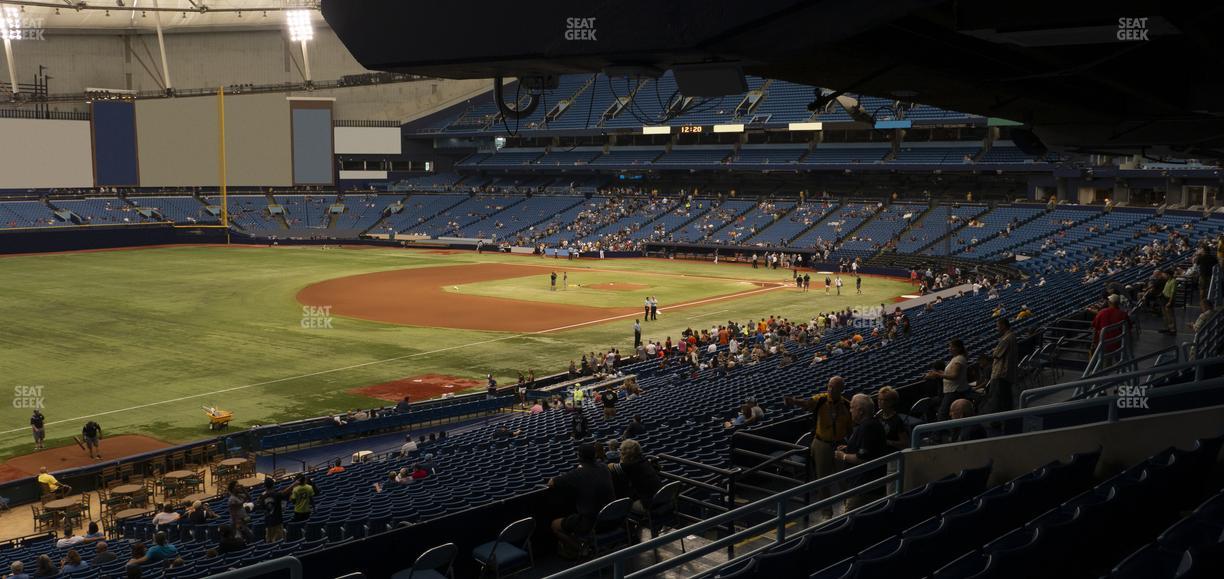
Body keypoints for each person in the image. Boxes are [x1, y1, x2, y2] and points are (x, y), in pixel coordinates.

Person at [784, 376, 852, 513]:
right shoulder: (821, 400)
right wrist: (794, 401)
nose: (830, 390)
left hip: (840, 444)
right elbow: (807, 404)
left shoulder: (846, 405)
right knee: (822, 480)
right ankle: (826, 513)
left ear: (841, 389)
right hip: (821, 443)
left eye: (834, 387)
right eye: (829, 386)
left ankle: (850, 507)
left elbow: (850, 428)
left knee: (844, 478)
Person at [548, 443, 616, 558]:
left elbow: (552, 483)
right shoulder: (604, 467)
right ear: (595, 455)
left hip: (592, 522)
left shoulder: (578, 474)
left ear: (579, 457)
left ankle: (582, 548)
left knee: (555, 525)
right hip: (613, 517)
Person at [835, 394, 890, 510]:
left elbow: (862, 458)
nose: (850, 410)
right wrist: (849, 447)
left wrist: (843, 456)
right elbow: (869, 448)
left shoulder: (867, 427)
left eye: (852, 407)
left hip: (863, 489)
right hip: (869, 485)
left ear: (860, 411)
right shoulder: (873, 424)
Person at [608, 439, 661, 514]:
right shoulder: (644, 460)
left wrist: (621, 460)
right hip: (659, 500)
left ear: (627, 454)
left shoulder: (630, 466)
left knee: (618, 502)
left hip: (648, 505)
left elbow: (610, 466)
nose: (620, 455)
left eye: (622, 453)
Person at [928, 339, 970, 422]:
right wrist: (941, 372)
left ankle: (940, 433)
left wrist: (938, 375)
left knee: (942, 414)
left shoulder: (958, 359)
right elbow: (952, 373)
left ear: (957, 348)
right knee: (949, 414)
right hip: (952, 391)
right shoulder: (957, 358)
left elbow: (954, 376)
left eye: (951, 346)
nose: (949, 348)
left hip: (954, 391)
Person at [259, 478, 287, 543]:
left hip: (268, 522)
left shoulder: (262, 497)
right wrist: (294, 484)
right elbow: (285, 494)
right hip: (277, 521)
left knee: (269, 541)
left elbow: (261, 508)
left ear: (264, 486)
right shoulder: (277, 495)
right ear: (273, 485)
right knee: (278, 541)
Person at [1161, 270, 1178, 335]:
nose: (1164, 276)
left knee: (1170, 315)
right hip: (1164, 298)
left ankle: (1173, 330)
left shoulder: (1173, 281)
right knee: (1165, 315)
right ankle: (1168, 328)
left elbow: (1172, 293)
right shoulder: (1168, 281)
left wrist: (1169, 302)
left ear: (1169, 275)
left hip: (1169, 299)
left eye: (1165, 275)